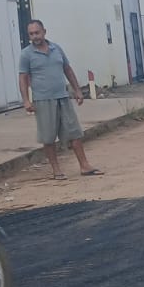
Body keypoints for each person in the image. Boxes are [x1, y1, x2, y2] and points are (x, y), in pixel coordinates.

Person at [19, 20, 101, 179]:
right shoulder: (26, 54)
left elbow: (67, 69)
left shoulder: (56, 49)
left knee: (75, 132)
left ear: (44, 32)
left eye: (37, 32)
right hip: (43, 100)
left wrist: (77, 90)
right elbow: (22, 78)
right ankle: (56, 170)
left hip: (63, 97)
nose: (35, 36)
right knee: (48, 137)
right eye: (31, 34)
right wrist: (26, 101)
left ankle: (84, 165)